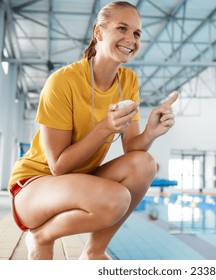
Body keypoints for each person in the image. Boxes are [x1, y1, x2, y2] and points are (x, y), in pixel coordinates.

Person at [7, 1, 179, 260]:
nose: (130, 39)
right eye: (122, 28)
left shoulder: (128, 81)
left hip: (79, 179)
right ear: (99, 33)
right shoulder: (63, 81)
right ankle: (42, 235)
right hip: (35, 186)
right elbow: (59, 168)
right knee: (116, 199)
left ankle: (93, 251)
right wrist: (104, 128)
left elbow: (133, 149)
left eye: (136, 33)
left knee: (145, 163)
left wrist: (151, 133)